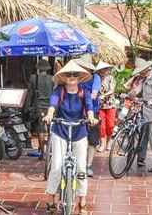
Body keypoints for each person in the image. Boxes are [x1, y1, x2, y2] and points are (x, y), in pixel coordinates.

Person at [42, 60, 98, 214]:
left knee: (81, 167)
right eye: (68, 75)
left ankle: (82, 200)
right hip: (60, 130)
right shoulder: (59, 90)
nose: (72, 77)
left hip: (79, 131)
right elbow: (53, 105)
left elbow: (89, 107)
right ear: (64, 77)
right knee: (57, 167)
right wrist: (49, 114)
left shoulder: (83, 92)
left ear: (79, 78)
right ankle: (52, 200)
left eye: (75, 75)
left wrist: (91, 117)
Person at [74, 58, 101, 177]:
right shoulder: (76, 77)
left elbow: (94, 95)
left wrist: (83, 95)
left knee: (92, 140)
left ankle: (88, 165)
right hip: (76, 112)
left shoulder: (96, 78)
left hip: (92, 112)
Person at [26, 59, 54, 159]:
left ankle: (42, 153)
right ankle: (51, 150)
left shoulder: (34, 78)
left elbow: (30, 95)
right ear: (47, 69)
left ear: (38, 68)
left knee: (41, 130)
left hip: (39, 107)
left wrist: (26, 108)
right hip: (51, 107)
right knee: (51, 129)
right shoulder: (52, 79)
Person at [95, 61, 115, 152]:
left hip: (110, 104)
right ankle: (102, 144)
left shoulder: (111, 78)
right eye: (102, 69)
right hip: (100, 105)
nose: (104, 71)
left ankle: (109, 142)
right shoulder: (96, 78)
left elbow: (112, 90)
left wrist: (104, 95)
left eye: (106, 69)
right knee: (102, 126)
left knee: (110, 125)